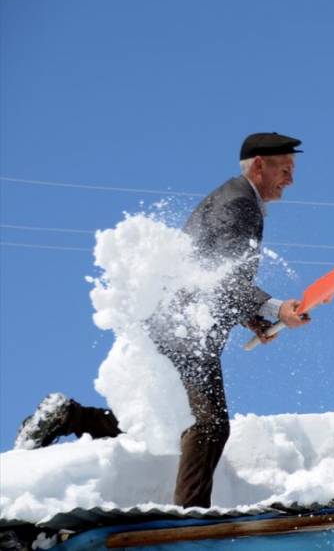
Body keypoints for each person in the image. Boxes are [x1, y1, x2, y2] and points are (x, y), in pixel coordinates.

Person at [15, 132, 311, 509]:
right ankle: (188, 517)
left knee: (162, 419)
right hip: (186, 327)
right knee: (209, 425)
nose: (290, 179)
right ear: (258, 166)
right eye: (285, 169)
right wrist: (274, 309)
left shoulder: (237, 199)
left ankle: (68, 416)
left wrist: (251, 317)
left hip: (177, 322)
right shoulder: (239, 202)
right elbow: (219, 274)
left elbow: (215, 277)